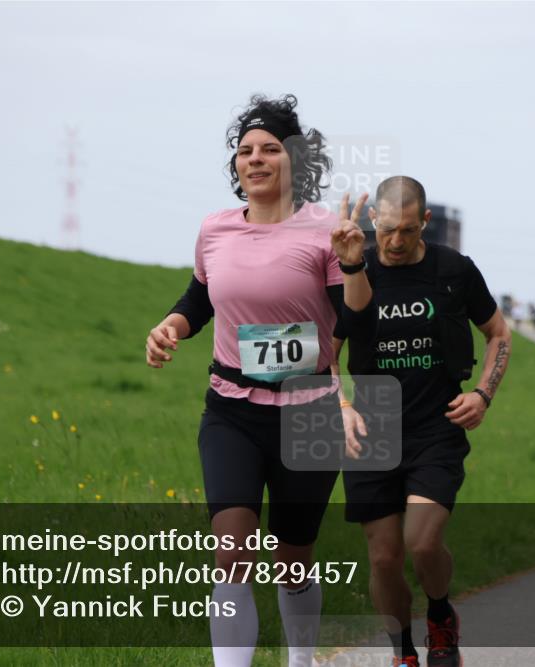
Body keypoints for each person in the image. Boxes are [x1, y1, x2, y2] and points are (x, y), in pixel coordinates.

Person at [146, 94, 371, 667]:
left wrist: (351, 264)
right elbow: (199, 297)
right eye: (246, 151)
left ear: (295, 159)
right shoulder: (215, 229)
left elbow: (353, 319)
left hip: (309, 409)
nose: (256, 158)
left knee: (294, 558)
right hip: (231, 410)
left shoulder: (325, 230)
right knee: (232, 554)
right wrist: (171, 325)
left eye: (270, 148)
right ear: (236, 166)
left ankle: (300, 661)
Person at [333, 176, 512, 667]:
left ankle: (439, 614)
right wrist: (342, 408)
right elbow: (327, 351)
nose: (395, 241)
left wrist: (483, 395)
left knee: (423, 540)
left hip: (437, 424)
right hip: (372, 426)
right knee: (385, 557)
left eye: (408, 231)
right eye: (388, 229)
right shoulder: (353, 266)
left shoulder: (453, 270)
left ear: (425, 224)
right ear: (374, 221)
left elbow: (498, 333)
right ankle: (403, 652)